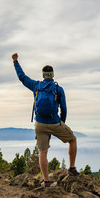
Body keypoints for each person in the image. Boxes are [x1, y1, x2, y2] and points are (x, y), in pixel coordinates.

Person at [12, 53, 79, 187]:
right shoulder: (58, 89)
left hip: (40, 124)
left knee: (43, 152)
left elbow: (22, 77)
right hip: (54, 122)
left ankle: (46, 181)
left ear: (43, 75)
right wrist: (61, 123)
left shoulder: (36, 86)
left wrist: (15, 62)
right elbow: (64, 108)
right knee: (72, 140)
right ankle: (72, 168)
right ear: (53, 74)